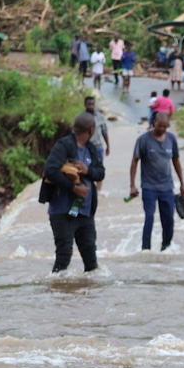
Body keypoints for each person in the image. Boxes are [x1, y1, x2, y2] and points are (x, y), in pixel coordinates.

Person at [41, 112, 105, 273]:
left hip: (85, 213)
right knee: (64, 256)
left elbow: (100, 173)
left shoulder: (90, 148)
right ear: (91, 129)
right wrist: (74, 188)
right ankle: (57, 292)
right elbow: (50, 170)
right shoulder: (64, 145)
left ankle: (87, 295)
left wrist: (87, 170)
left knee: (91, 259)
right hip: (63, 212)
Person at [129, 112, 184, 252]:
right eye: (159, 125)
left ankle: (165, 247)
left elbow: (176, 161)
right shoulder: (143, 140)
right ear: (153, 122)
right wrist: (132, 185)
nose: (162, 129)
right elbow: (134, 161)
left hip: (167, 187)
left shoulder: (171, 139)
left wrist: (182, 183)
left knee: (169, 220)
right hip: (149, 187)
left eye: (165, 126)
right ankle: (145, 249)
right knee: (149, 217)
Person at [82, 96, 110, 190]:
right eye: (89, 104)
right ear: (85, 105)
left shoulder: (100, 117)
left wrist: (108, 146)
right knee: (85, 167)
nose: (91, 106)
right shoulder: (82, 117)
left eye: (92, 104)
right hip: (86, 146)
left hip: (98, 147)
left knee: (99, 168)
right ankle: (87, 189)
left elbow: (104, 132)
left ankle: (98, 191)